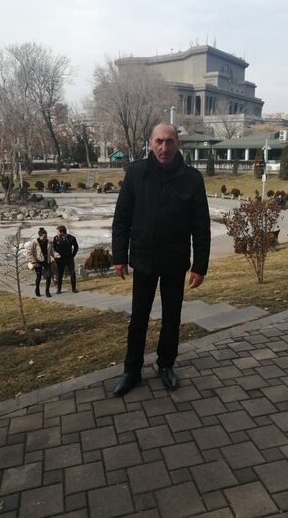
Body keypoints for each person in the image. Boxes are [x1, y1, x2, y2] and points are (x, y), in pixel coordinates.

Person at [112, 123, 211, 396]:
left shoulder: (192, 179)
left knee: (171, 318)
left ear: (177, 144)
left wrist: (200, 266)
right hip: (143, 258)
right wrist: (119, 257)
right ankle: (132, 370)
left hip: (175, 261)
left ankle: (166, 365)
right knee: (138, 319)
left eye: (169, 142)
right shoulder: (136, 173)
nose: (164, 147)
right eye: (159, 141)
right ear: (150, 143)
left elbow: (201, 226)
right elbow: (121, 219)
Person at [27, 227, 55, 298]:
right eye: (44, 237)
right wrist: (34, 262)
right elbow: (29, 253)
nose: (45, 238)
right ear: (40, 236)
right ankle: (37, 290)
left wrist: (55, 255)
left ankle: (47, 291)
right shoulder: (34, 242)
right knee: (39, 277)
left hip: (46, 261)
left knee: (48, 276)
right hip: (37, 262)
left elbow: (52, 251)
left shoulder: (49, 242)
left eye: (46, 236)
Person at [53, 225, 79, 294]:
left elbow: (76, 247)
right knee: (60, 274)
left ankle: (74, 288)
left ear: (62, 232)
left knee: (72, 273)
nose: (56, 233)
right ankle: (59, 289)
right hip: (60, 259)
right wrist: (55, 254)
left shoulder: (71, 238)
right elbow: (54, 248)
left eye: (57, 231)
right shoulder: (56, 238)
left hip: (69, 258)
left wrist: (73, 255)